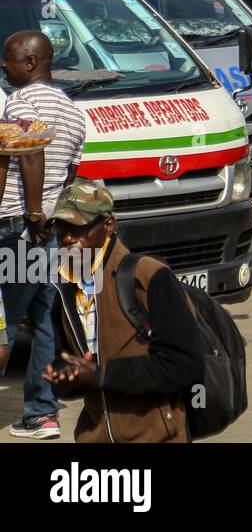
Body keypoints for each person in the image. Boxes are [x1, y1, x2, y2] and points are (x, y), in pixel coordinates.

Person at [41, 179, 204, 443]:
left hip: (158, 438)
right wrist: (64, 378)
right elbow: (69, 364)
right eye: (60, 228)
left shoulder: (148, 277)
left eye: (79, 227)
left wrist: (100, 375)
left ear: (109, 225)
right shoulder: (64, 288)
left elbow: (185, 366)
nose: (68, 237)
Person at [0, 30, 87, 440]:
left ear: (31, 62)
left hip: (16, 225)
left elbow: (30, 152)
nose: (4, 66)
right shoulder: (74, 113)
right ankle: (41, 414)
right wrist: (46, 217)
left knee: (4, 323)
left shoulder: (21, 102)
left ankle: (40, 414)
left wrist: (32, 212)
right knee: (42, 324)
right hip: (47, 230)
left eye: (10, 60)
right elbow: (69, 176)